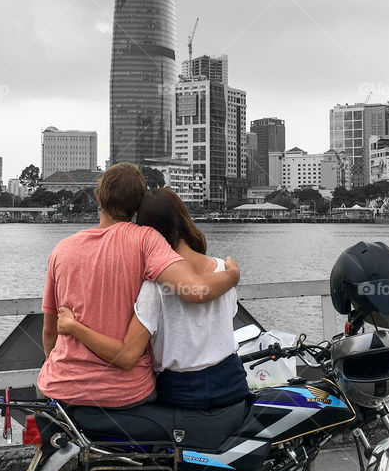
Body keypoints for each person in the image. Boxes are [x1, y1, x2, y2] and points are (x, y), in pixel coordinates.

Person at [37, 163, 240, 410]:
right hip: (128, 394)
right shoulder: (146, 240)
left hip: (62, 387)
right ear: (136, 206)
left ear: (98, 197)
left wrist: (60, 364)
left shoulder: (61, 250)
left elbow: (49, 330)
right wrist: (232, 275)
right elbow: (195, 290)